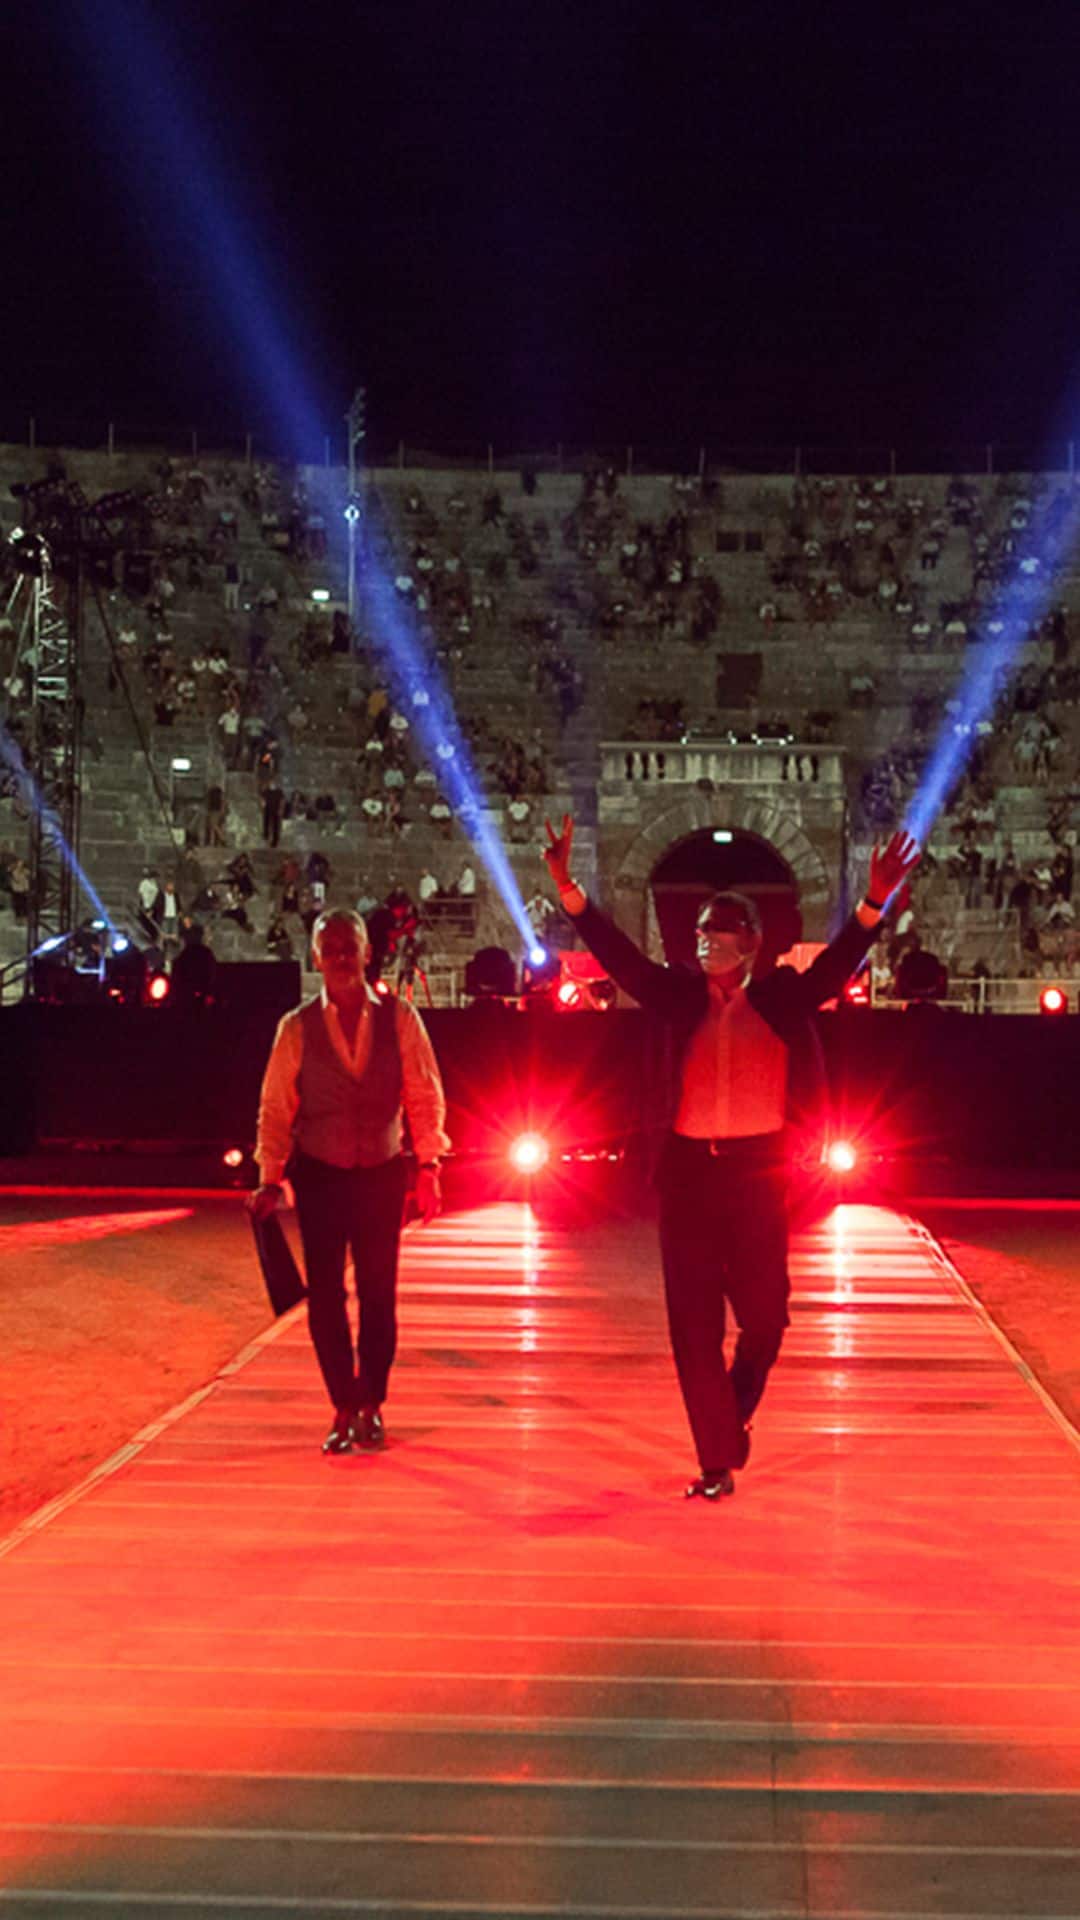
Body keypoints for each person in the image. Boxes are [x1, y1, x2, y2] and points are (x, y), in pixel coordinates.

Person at [542, 812, 921, 1503]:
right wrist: (570, 890)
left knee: (766, 1319)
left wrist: (874, 901)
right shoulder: (679, 997)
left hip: (755, 1176)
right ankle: (716, 1457)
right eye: (700, 931)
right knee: (693, 1329)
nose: (707, 940)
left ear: (750, 941)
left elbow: (836, 966)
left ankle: (732, 1411)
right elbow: (622, 958)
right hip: (688, 1175)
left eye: (719, 930)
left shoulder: (779, 999)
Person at [251, 909, 450, 1455]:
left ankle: (372, 1404)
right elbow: (275, 1106)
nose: (341, 956)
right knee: (326, 1297)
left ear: (367, 953)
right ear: (316, 957)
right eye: (331, 947)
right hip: (320, 1174)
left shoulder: (401, 1018)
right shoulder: (296, 1027)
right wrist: (269, 1177)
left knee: (379, 1294)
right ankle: (342, 1404)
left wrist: (429, 1166)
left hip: (382, 1174)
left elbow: (424, 1092)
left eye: (349, 946)